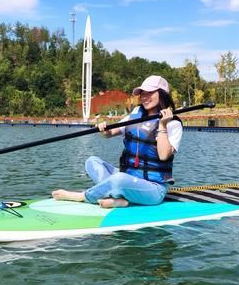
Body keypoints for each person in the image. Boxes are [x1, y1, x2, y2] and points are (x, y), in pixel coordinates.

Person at [52, 75, 183, 208]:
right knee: (92, 162)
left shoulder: (173, 124)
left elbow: (163, 155)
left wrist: (162, 125)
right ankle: (119, 199)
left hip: (154, 188)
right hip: (128, 177)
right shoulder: (135, 114)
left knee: (119, 179)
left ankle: (83, 196)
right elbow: (109, 134)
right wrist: (104, 129)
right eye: (142, 93)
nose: (144, 97)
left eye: (150, 92)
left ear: (162, 94)